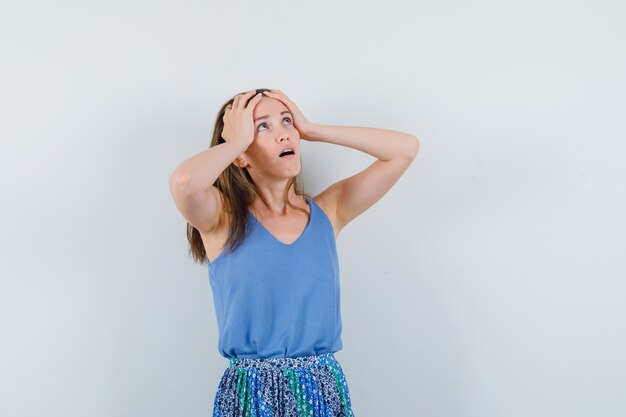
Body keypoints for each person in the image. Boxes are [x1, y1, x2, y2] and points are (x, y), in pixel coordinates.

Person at [168, 88, 420, 416]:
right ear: (241, 155)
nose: (284, 133)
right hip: (250, 396)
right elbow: (185, 182)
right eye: (263, 126)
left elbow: (405, 149)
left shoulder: (328, 212)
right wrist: (234, 143)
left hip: (320, 390)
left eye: (286, 121)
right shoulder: (221, 219)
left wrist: (313, 129)